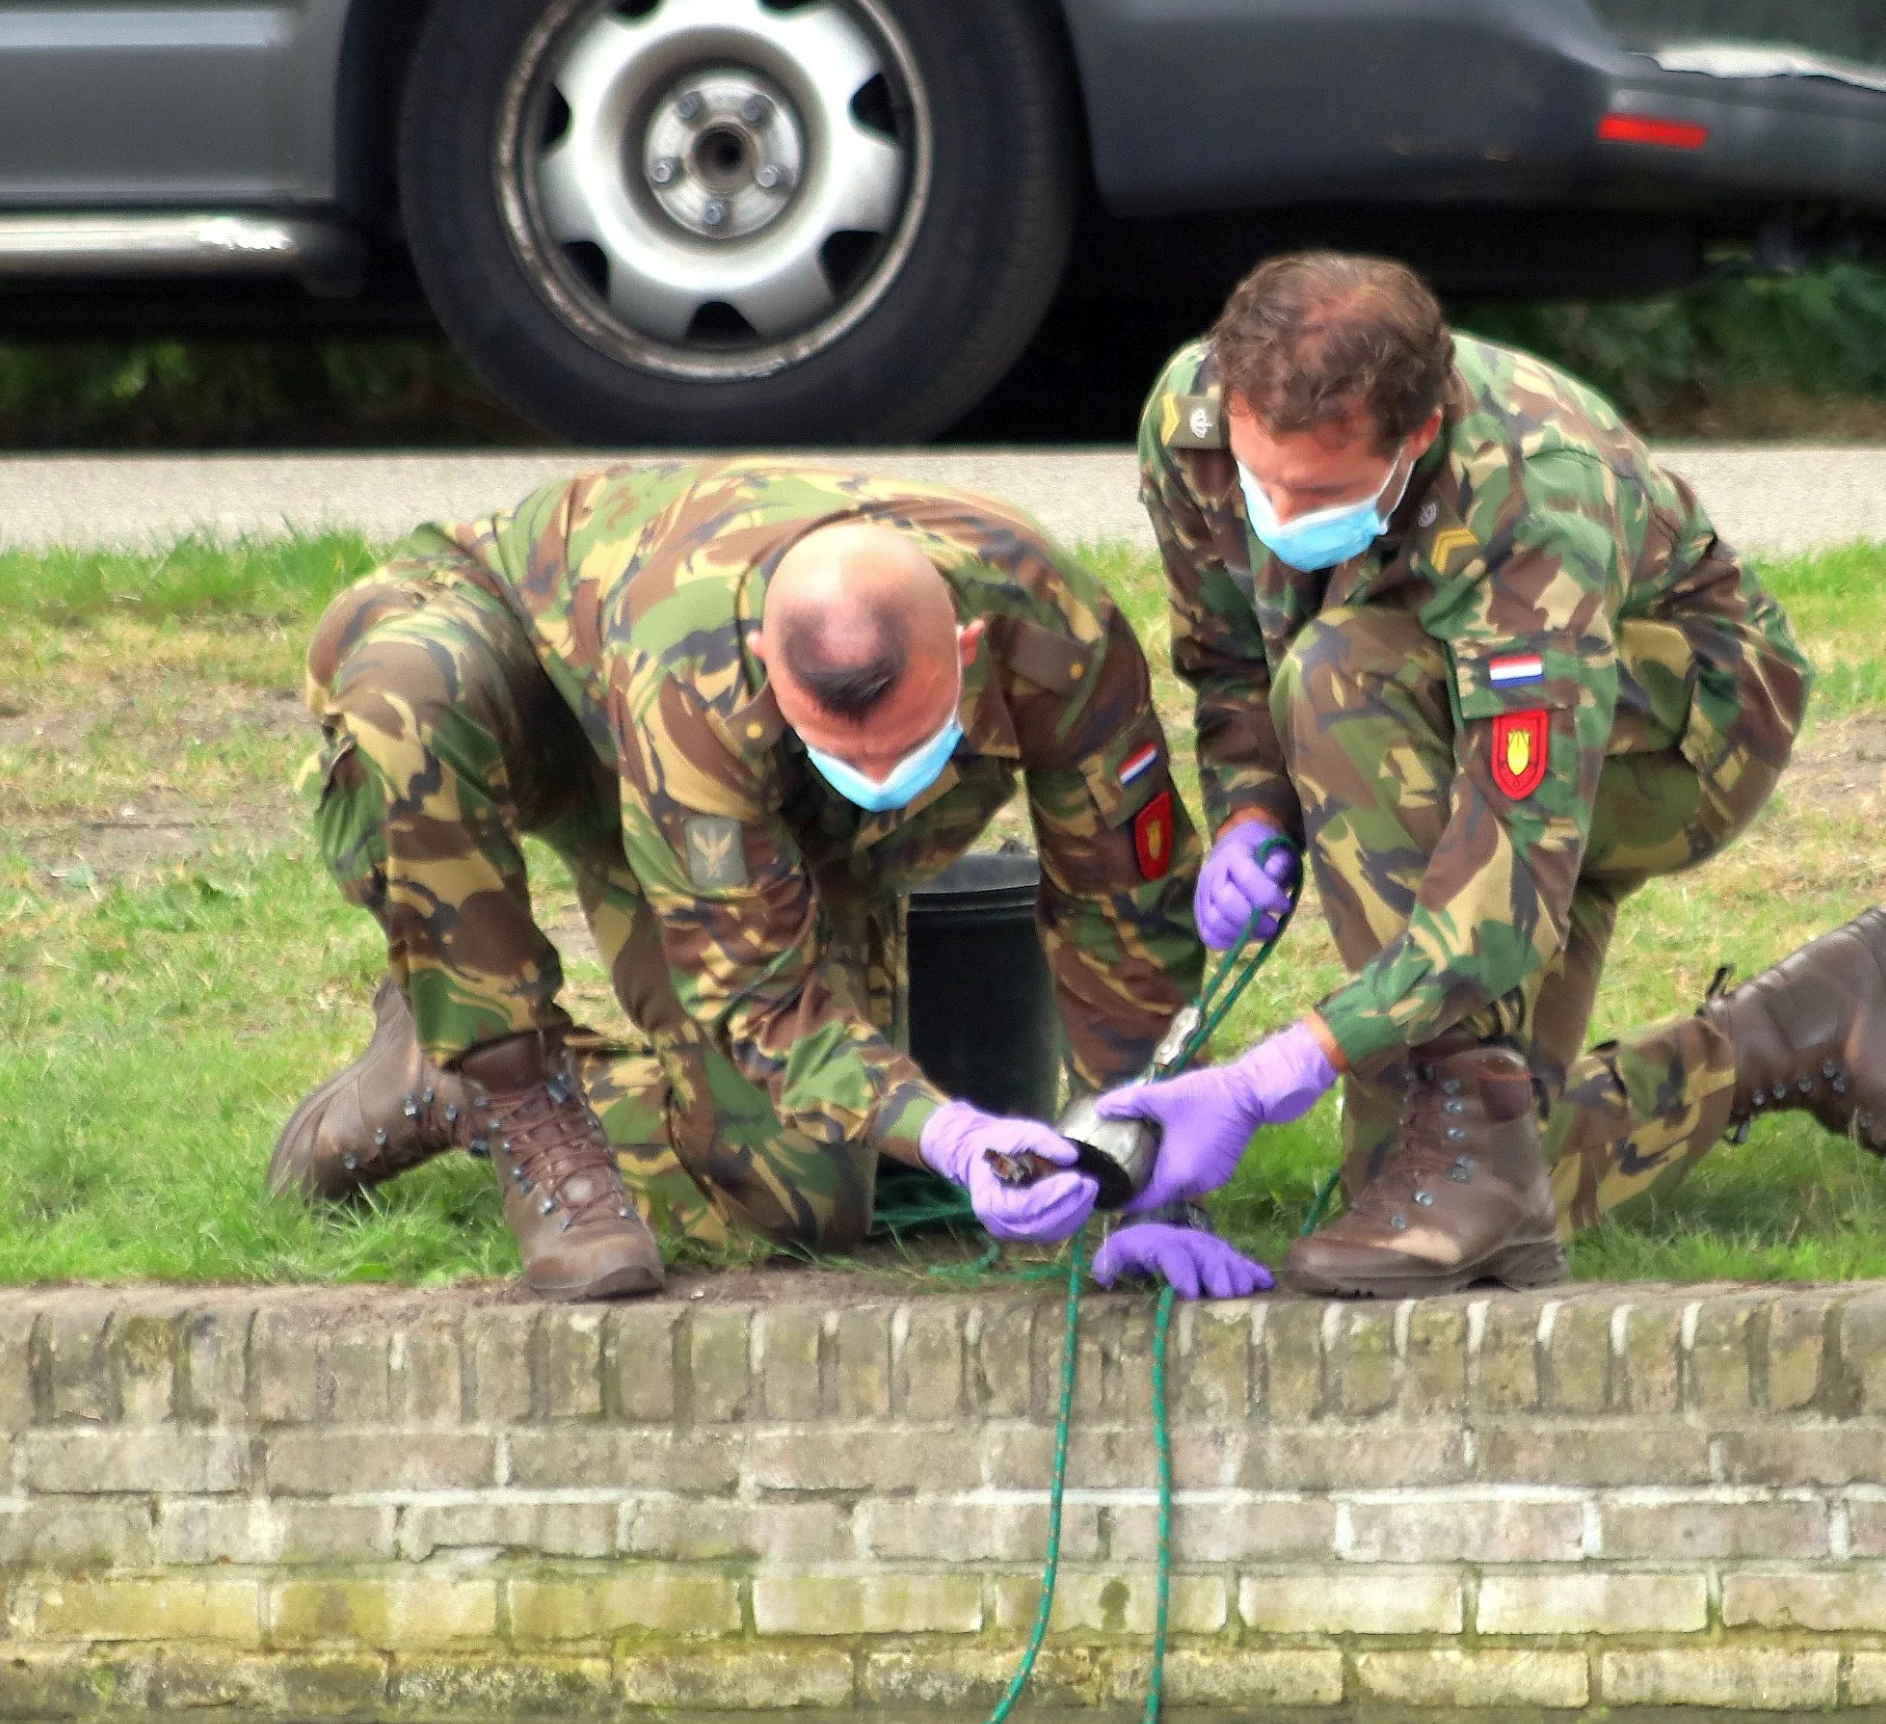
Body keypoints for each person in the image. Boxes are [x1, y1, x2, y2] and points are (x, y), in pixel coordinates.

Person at [1093, 251, 1886, 1301]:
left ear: (1415, 435)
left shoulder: (1531, 499)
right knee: (1466, 1180)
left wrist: (1278, 1069)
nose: (1278, 509)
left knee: (1339, 676)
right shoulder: (1194, 419)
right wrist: (1249, 811)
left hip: (1670, 734)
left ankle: (1467, 1126)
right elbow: (1231, 658)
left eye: (1320, 488)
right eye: (1261, 476)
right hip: (1435, 715)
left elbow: (1507, 881)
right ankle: (1793, 1030)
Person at [269, 461, 1247, 1300]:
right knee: (411, 691)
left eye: (901, 747)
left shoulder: (1055, 625)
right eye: (839, 752)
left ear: (963, 650)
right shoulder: (697, 675)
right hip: (528, 681)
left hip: (750, 789)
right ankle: (495, 1074)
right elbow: (761, 992)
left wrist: (1134, 1161)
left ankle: (448, 1078)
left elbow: (1127, 904)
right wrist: (945, 1131)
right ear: (771, 668)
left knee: (800, 1200)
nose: (874, 778)